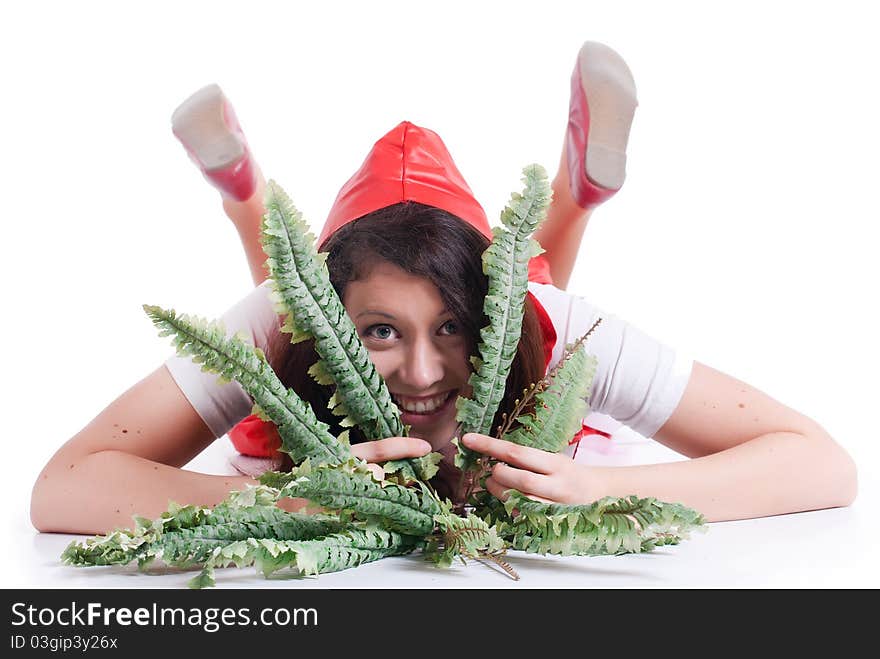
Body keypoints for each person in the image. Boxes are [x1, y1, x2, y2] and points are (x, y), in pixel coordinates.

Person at [30, 42, 857, 537]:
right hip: (306, 335)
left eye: (456, 324)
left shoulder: (550, 321)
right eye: (380, 332)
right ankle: (247, 196)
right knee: (281, 336)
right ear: (329, 314)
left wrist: (598, 487)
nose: (423, 372)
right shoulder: (284, 322)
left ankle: (576, 193)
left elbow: (824, 465)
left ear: (492, 307)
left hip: (520, 300)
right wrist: (289, 502)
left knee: (531, 315)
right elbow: (62, 486)